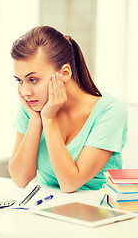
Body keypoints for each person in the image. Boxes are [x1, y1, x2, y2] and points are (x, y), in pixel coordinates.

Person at [8, 26, 127, 193]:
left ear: (64, 73)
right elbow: (20, 179)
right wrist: (36, 121)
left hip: (99, 209)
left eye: (33, 79)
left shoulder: (110, 112)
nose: (25, 92)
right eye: (19, 80)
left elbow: (70, 183)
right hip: (50, 209)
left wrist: (48, 120)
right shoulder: (32, 106)